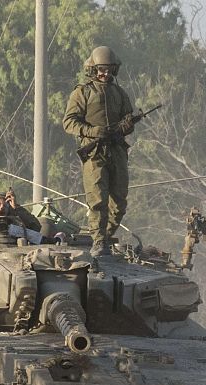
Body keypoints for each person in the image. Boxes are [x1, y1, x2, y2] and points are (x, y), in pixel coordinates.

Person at [63, 45, 134, 256]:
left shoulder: (120, 93)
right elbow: (69, 122)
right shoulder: (82, 92)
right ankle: (98, 241)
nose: (105, 73)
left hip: (117, 150)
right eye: (101, 69)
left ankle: (106, 234)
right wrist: (92, 131)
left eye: (109, 69)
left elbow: (128, 119)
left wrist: (126, 125)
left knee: (119, 201)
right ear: (93, 69)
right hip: (94, 153)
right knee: (97, 201)